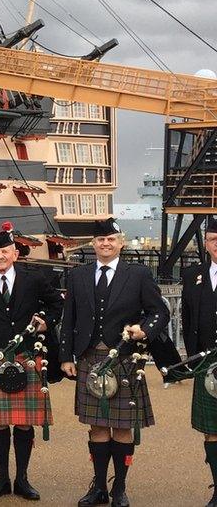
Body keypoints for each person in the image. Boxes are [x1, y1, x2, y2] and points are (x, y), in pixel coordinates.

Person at [61, 217, 168, 507]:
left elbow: (159, 311)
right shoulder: (78, 275)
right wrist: (66, 357)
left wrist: (144, 329)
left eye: (111, 239)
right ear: (93, 243)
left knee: (121, 427)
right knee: (97, 426)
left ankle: (119, 488)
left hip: (123, 358)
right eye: (100, 240)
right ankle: (99, 487)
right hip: (89, 357)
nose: (105, 244)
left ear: (120, 243)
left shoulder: (138, 274)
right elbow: (69, 318)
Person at [0, 223, 63, 500]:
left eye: (5, 251)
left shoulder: (34, 279)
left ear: (15, 254)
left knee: (23, 423)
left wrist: (45, 322)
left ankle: (22, 479)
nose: (0, 256)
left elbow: (57, 304)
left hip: (27, 356)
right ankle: (1, 478)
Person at [180, 216, 217, 507]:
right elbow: (187, 318)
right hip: (206, 362)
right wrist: (192, 360)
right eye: (214, 239)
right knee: (212, 429)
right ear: (206, 243)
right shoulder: (193, 275)